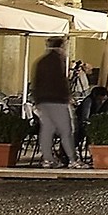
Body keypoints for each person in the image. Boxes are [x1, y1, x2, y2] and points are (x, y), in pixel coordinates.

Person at [33, 38, 77, 168]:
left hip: (42, 100)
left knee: (47, 129)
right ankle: (72, 160)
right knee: (66, 130)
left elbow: (36, 81)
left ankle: (48, 159)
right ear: (62, 46)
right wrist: (67, 96)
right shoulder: (57, 61)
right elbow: (61, 81)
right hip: (57, 100)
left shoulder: (41, 61)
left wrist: (37, 100)